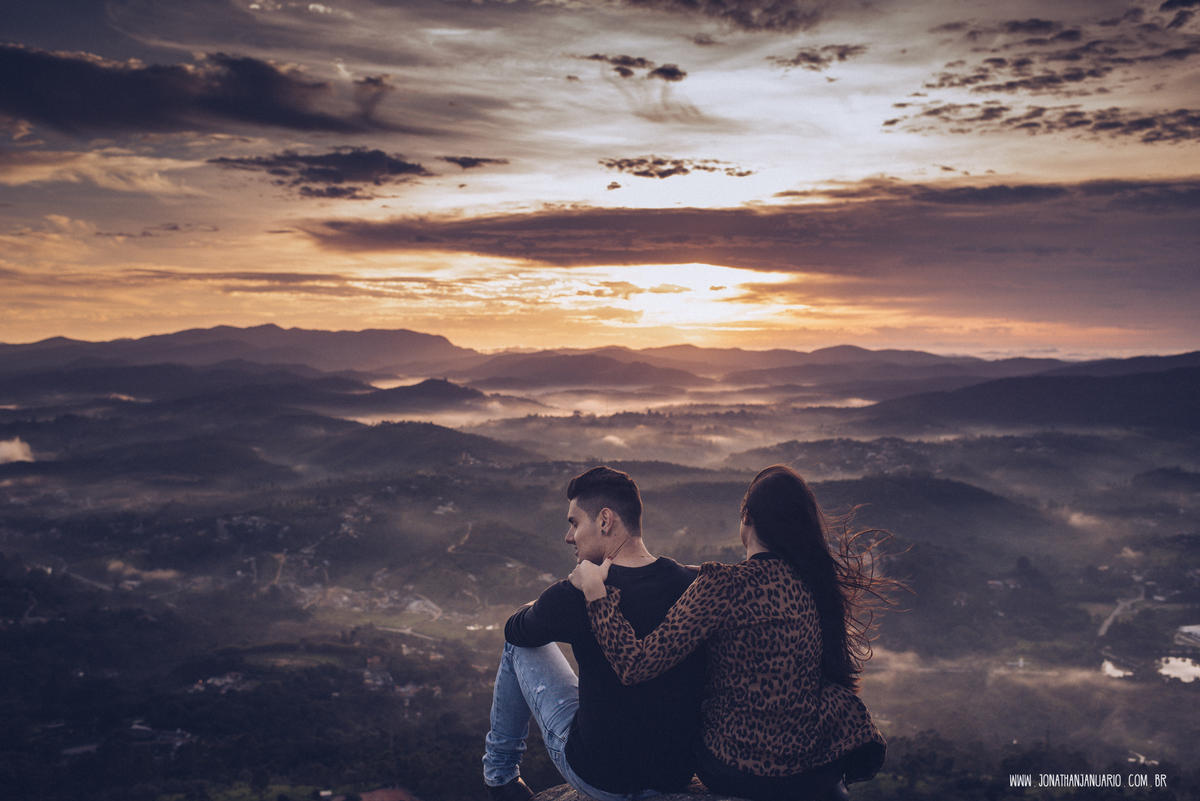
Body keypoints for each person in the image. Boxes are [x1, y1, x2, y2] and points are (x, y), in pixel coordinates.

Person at [570, 465, 895, 801]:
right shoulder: (809, 583)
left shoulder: (723, 585)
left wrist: (596, 594)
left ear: (747, 516)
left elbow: (635, 664)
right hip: (809, 771)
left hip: (733, 770)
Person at [483, 466, 705, 801]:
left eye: (574, 522)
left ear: (605, 520)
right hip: (674, 773)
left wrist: (546, 600)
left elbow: (515, 630)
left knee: (517, 647)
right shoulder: (692, 586)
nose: (568, 536)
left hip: (600, 777)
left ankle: (500, 777)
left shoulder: (575, 595)